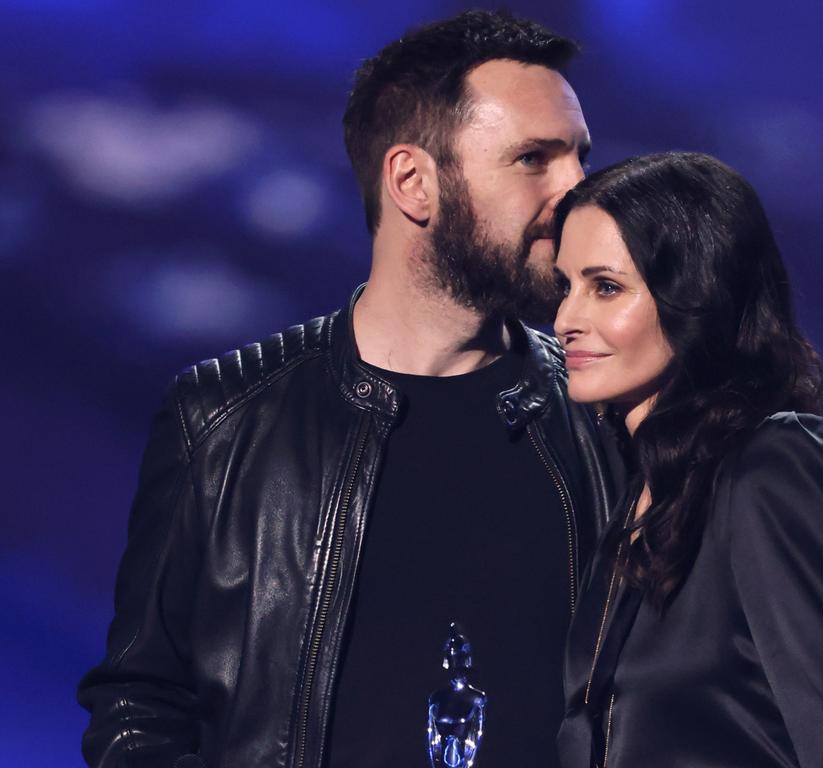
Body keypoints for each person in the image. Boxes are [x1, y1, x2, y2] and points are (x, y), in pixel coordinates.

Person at [78, 11, 617, 768]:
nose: (579, 193)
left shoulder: (611, 419)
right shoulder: (224, 421)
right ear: (412, 182)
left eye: (579, 159)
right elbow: (141, 707)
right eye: (535, 159)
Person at [553, 152, 823, 767]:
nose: (566, 319)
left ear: (694, 294)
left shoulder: (771, 467)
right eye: (563, 286)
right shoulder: (640, 496)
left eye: (606, 288)